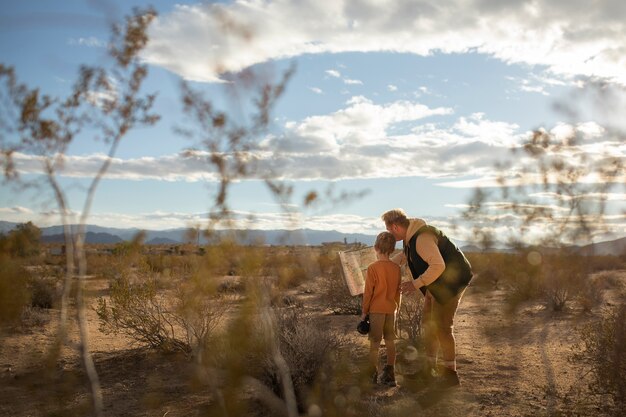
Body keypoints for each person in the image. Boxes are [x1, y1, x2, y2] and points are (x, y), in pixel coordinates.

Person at [381, 208, 473, 388]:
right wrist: (382, 265)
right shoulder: (410, 238)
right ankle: (429, 369)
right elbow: (405, 257)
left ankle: (450, 374)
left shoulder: (422, 238)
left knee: (443, 327)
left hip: (451, 283)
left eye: (389, 230)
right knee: (429, 324)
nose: (390, 234)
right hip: (438, 283)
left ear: (395, 227)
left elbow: (438, 266)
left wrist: (415, 284)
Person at [361, 231, 402, 387]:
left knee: (375, 343)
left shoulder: (372, 268)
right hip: (391, 309)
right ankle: (390, 376)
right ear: (392, 249)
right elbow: (399, 292)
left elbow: (368, 293)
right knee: (390, 342)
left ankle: (372, 375)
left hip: (376, 310)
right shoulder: (396, 268)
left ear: (376, 247)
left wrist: (364, 313)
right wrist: (397, 307)